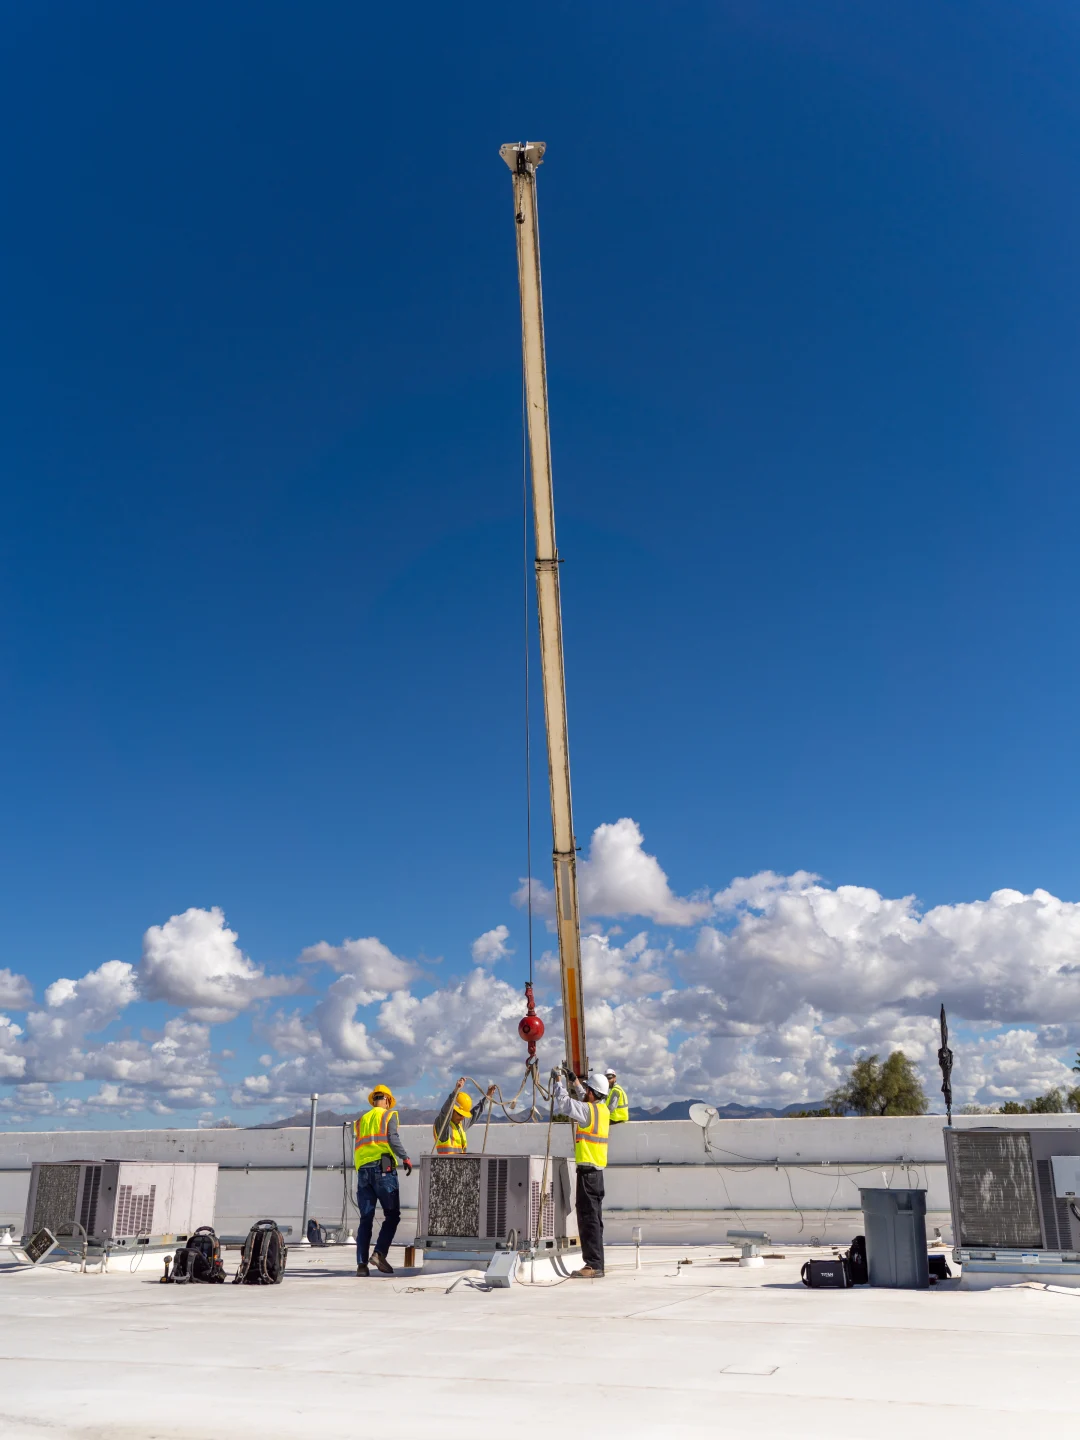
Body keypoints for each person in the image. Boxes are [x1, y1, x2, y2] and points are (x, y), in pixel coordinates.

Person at [553, 1069, 610, 1279]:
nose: (584, 1092)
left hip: (587, 1175)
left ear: (593, 1093)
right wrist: (575, 1082)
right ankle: (597, 1262)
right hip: (597, 1174)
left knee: (588, 1220)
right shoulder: (602, 1110)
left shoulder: (589, 1111)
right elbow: (584, 1104)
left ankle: (593, 1265)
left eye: (587, 1090)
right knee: (595, 1219)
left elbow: (567, 1105)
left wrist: (558, 1083)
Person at [353, 1084, 413, 1277]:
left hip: (363, 1171)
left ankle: (362, 1265)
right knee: (392, 1215)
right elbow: (392, 1138)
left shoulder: (361, 1120)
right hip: (383, 1169)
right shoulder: (389, 1115)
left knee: (366, 1219)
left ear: (374, 1100)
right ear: (387, 1100)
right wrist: (405, 1157)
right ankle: (379, 1254)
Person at [433, 1078, 498, 1154]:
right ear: (452, 1110)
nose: (462, 1117)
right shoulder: (442, 1126)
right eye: (460, 1114)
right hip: (445, 1165)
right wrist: (456, 1091)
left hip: (460, 1165)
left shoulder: (460, 1124)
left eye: (464, 1115)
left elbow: (474, 1114)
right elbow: (445, 1112)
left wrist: (488, 1096)